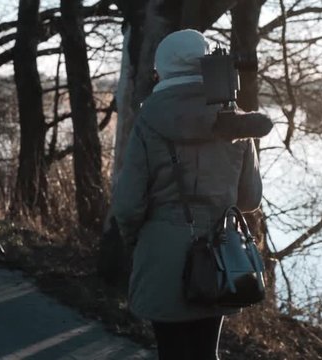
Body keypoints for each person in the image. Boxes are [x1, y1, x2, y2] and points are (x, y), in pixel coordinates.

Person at [112, 29, 272, 359]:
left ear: (162, 69)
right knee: (205, 352)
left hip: (162, 252)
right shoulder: (236, 123)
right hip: (220, 256)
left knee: (171, 351)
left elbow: (128, 206)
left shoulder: (148, 119)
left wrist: (134, 240)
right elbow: (249, 200)